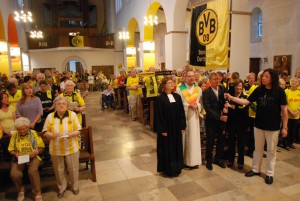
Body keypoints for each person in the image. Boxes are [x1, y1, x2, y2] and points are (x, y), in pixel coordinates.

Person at [225, 68, 288, 185]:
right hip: (258, 125)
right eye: (263, 76)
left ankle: (269, 173)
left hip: (273, 127)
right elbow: (246, 102)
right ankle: (255, 169)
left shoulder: (279, 91)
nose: (263, 78)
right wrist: (232, 98)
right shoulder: (259, 90)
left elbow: (284, 110)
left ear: (272, 78)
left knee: (271, 151)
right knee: (257, 149)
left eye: (266, 77)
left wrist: (284, 127)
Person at [43, 96, 82, 198]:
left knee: (73, 169)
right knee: (59, 170)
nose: (61, 105)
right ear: (55, 106)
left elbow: (78, 130)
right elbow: (45, 132)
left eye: (63, 104)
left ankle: (74, 186)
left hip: (71, 147)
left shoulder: (72, 115)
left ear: (67, 106)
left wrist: (72, 134)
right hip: (56, 148)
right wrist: (51, 135)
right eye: (58, 104)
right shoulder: (50, 116)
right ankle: (62, 187)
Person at [8, 117, 45, 201]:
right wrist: (15, 154)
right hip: (19, 158)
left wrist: (35, 152)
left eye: (23, 129)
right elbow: (11, 150)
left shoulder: (33, 133)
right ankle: (21, 190)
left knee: (32, 171)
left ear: (27, 127)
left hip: (33, 157)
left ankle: (37, 192)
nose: (21, 131)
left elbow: (41, 148)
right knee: (15, 174)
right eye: (19, 129)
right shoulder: (14, 135)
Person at [156, 77, 186, 176]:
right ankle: (168, 169)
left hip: (176, 127)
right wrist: (162, 129)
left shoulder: (177, 96)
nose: (172, 84)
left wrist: (182, 126)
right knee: (167, 147)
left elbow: (181, 111)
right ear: (164, 85)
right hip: (166, 128)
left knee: (176, 147)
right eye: (169, 83)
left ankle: (177, 167)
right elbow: (159, 115)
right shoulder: (160, 98)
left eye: (172, 82)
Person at [176, 69, 202, 168]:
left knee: (194, 138)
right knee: (184, 138)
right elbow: (178, 105)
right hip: (184, 116)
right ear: (185, 78)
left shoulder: (198, 89)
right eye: (189, 76)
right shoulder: (179, 89)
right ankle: (184, 161)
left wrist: (197, 106)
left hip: (194, 117)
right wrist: (188, 106)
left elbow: (201, 103)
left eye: (193, 76)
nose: (192, 78)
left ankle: (194, 161)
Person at [203, 71, 227, 170]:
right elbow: (208, 109)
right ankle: (209, 160)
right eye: (214, 79)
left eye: (217, 79)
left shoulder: (222, 89)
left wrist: (226, 106)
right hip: (211, 120)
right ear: (210, 80)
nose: (216, 81)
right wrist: (219, 117)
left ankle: (218, 159)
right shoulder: (206, 92)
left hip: (221, 120)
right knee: (210, 141)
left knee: (221, 140)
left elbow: (225, 101)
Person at [226, 79, 249, 170]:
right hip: (231, 122)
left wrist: (231, 106)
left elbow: (242, 107)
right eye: (236, 86)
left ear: (242, 86)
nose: (238, 87)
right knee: (231, 142)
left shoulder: (245, 96)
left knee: (241, 143)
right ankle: (231, 160)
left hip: (242, 123)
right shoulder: (231, 95)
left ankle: (240, 162)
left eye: (239, 86)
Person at [284, 77, 300, 148]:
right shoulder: (286, 91)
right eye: (292, 81)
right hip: (287, 114)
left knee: (293, 130)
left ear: (298, 84)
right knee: (287, 129)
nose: (293, 83)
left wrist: (297, 111)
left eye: (295, 82)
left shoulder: (299, 92)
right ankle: (285, 144)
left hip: (296, 115)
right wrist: (290, 111)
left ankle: (291, 143)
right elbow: (284, 103)